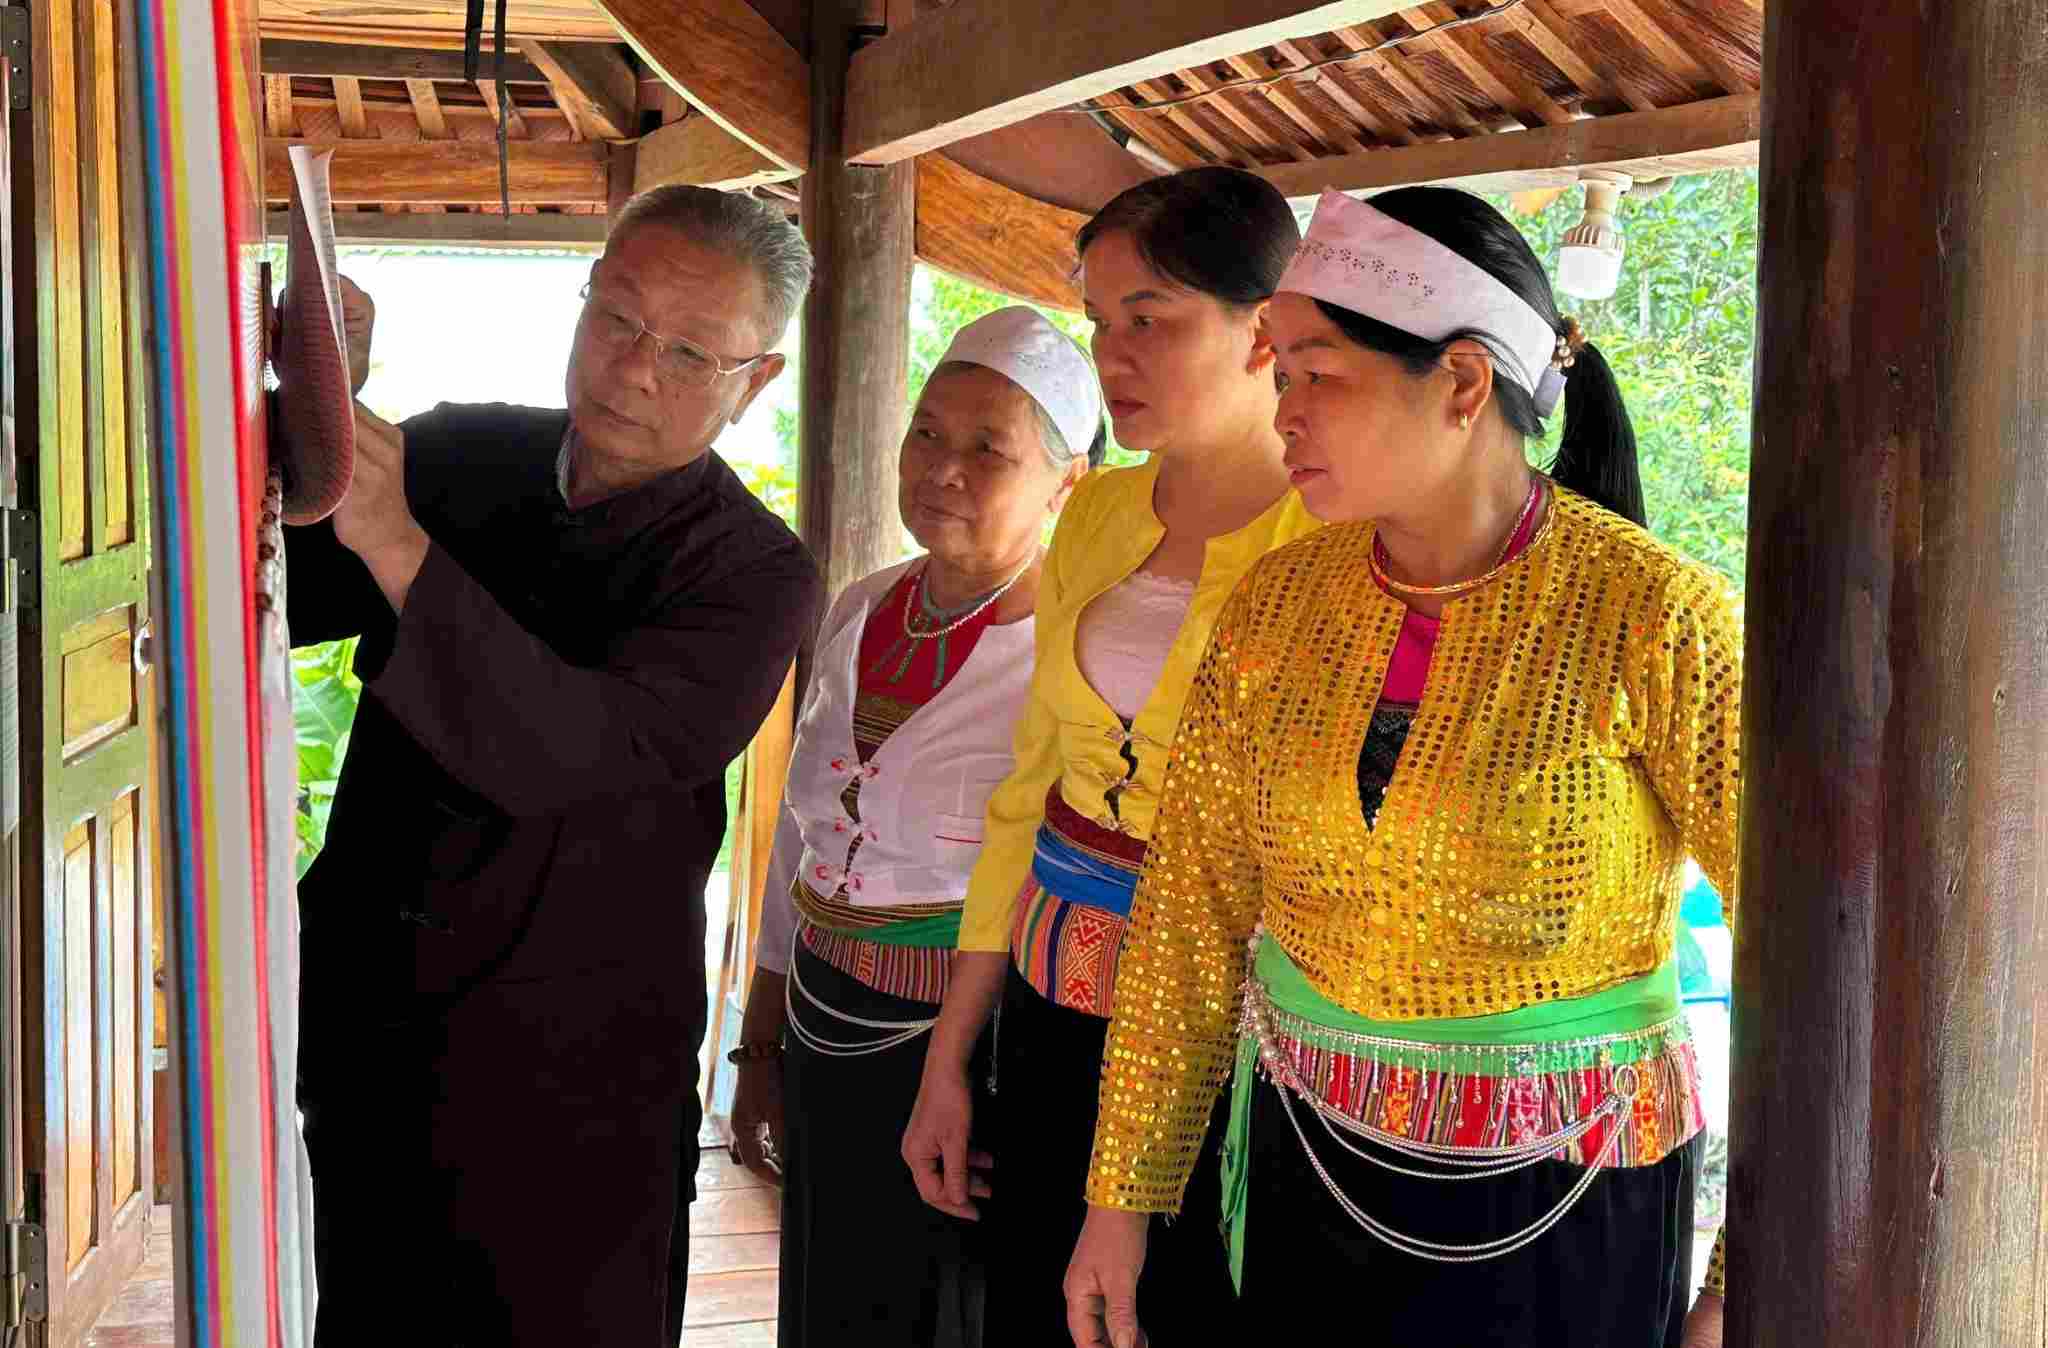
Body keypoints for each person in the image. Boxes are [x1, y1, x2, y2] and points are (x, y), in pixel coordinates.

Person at [1063, 186, 1742, 1348]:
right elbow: (1189, 915)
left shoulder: (1653, 613)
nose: (1283, 413)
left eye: (1317, 374)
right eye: (1280, 378)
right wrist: (1118, 1199)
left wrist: (1736, 1278)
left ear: (1464, 384)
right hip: (1307, 1172)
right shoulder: (1278, 607)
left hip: (1566, 1201)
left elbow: (1801, 953)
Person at [286, 185, 823, 1346]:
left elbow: (579, 750)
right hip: (379, 1029)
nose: (634, 370)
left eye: (689, 352)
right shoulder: (464, 452)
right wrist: (313, 413)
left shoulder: (752, 574)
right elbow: (276, 581)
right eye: (617, 320)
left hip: (573, 1075)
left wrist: (400, 547)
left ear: (756, 381)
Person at [899, 166, 1319, 1346]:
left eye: (1151, 319)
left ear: (1263, 329)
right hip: (1050, 1006)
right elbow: (1022, 796)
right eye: (1098, 321)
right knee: (1040, 1303)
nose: (1112, 354)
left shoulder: (1334, 539)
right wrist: (950, 1053)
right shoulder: (1093, 515)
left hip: (1243, 1046)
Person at [726, 306, 1104, 1346]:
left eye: (988, 447)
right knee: (824, 1291)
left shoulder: (1067, 655)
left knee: (937, 1309)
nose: (940, 466)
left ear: (1065, 482)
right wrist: (759, 1045)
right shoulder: (857, 606)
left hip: (966, 1057)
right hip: (821, 1023)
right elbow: (798, 845)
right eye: (927, 431)